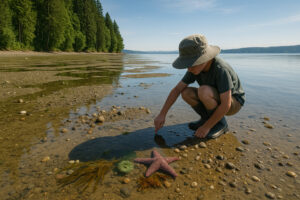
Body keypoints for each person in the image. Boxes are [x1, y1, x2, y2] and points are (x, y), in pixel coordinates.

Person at [154, 34, 245, 139]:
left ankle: (220, 124)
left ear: (204, 58)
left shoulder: (220, 69)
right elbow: (177, 89)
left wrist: (206, 127)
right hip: (216, 97)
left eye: (192, 63)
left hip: (234, 102)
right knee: (186, 92)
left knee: (204, 91)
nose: (189, 69)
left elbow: (226, 104)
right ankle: (206, 119)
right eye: (187, 64)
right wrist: (162, 114)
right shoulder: (194, 68)